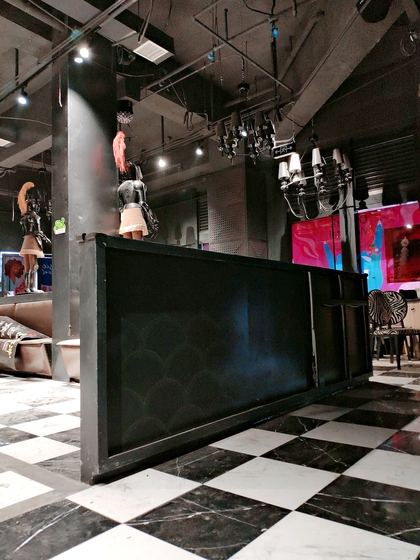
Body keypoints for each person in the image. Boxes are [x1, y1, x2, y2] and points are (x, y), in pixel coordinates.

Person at [17, 181, 51, 293]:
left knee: (27, 267)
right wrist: (46, 239)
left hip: (25, 241)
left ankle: (27, 287)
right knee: (34, 266)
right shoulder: (35, 217)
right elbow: (38, 231)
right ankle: (32, 287)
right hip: (33, 242)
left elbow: (24, 232)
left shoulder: (23, 218)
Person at [117, 164, 149, 240]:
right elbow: (142, 202)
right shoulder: (138, 183)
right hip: (136, 212)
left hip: (125, 214)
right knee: (137, 241)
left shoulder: (120, 187)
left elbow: (120, 207)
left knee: (127, 243)